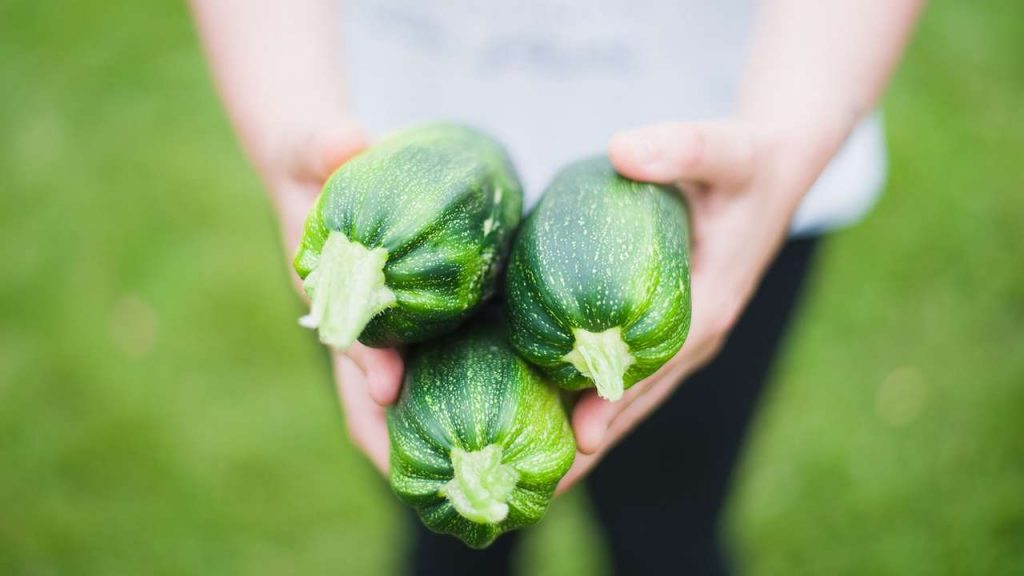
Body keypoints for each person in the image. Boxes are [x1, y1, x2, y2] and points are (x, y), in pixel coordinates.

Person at [191, 1, 923, 573]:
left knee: (668, 523)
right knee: (448, 537)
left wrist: (791, 141)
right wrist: (285, 118)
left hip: (733, 168)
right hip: (384, 160)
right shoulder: (361, 229)